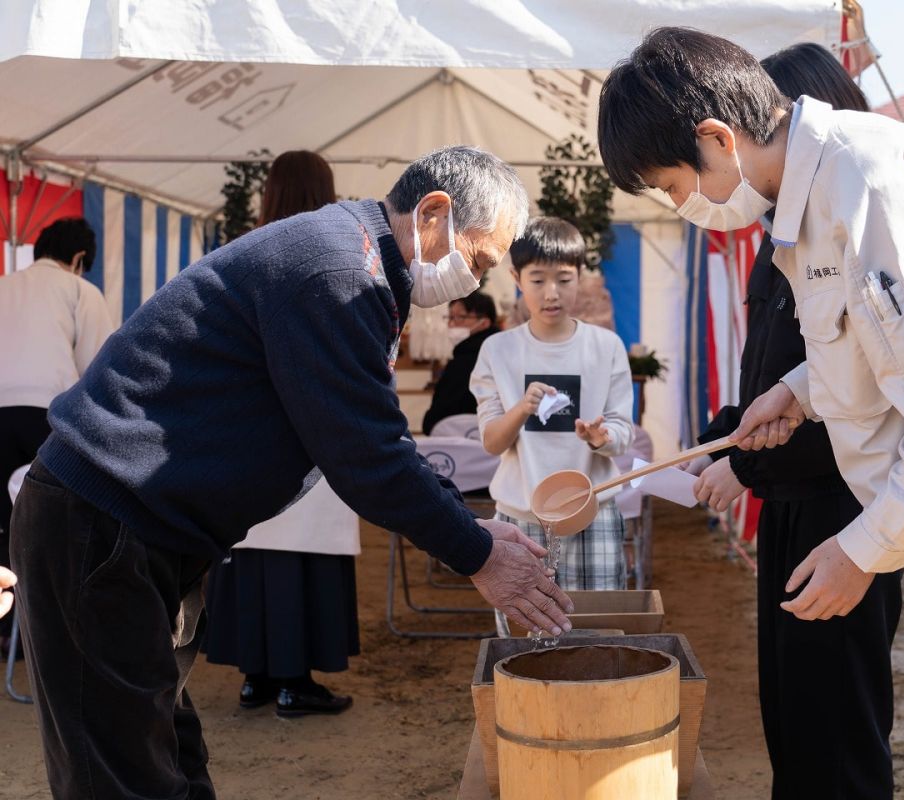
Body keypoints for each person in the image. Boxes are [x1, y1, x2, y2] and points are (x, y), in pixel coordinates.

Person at [9, 145, 574, 800]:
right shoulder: (339, 268)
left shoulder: (350, 259)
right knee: (124, 775)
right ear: (434, 213)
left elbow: (372, 438)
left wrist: (473, 534)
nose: (474, 282)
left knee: (165, 756)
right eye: (477, 259)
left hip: (141, 534)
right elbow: (365, 454)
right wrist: (476, 551)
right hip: (103, 524)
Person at [598, 28, 904, 799]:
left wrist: (860, 549)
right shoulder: (812, 194)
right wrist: (798, 392)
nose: (684, 206)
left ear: (717, 139)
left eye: (674, 185)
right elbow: (878, 337)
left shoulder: (868, 186)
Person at [687, 42, 902, 799]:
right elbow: (784, 380)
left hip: (844, 504)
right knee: (791, 707)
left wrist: (743, 461)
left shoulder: (864, 212)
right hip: (787, 499)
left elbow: (869, 394)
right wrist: (731, 439)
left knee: (837, 720)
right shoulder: (782, 236)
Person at [203, 150, 359, 717]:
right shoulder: (329, 255)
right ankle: (296, 680)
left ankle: (257, 678)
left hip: (245, 433)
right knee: (305, 558)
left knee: (252, 552)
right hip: (310, 430)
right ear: (328, 192)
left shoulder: (240, 250)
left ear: (267, 193)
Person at [471, 217, 634, 595]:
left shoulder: (605, 346)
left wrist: (600, 436)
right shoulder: (498, 350)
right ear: (516, 278)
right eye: (538, 280)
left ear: (580, 276)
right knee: (528, 631)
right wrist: (521, 409)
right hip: (521, 515)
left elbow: (622, 433)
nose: (551, 294)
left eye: (563, 279)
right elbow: (492, 442)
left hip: (592, 512)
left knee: (599, 628)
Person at [0, 217, 114, 651]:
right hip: (48, 415)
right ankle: (45, 631)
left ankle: (6, 628)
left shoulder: (4, 284)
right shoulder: (80, 290)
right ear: (79, 258)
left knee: (2, 524)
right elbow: (100, 367)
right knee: (48, 524)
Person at [422, 290, 499, 434]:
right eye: (450, 317)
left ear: (484, 322)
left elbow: (437, 416)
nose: (451, 324)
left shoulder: (464, 361)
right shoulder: (501, 352)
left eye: (460, 318)